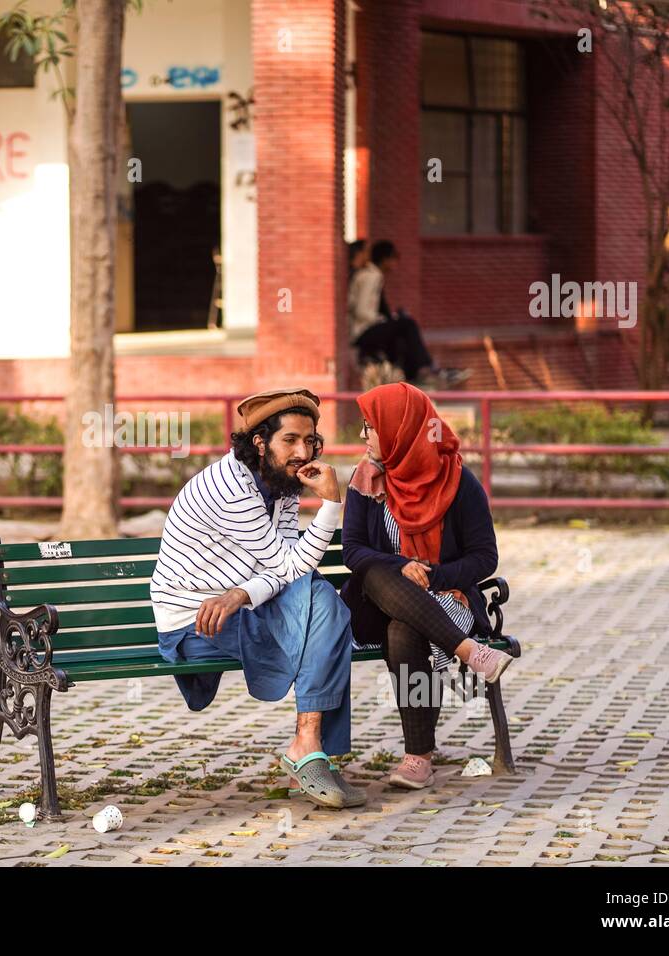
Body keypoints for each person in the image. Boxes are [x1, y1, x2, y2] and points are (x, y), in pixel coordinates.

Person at [149, 387, 364, 809]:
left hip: (242, 608)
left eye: (311, 441)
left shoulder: (280, 485)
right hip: (192, 621)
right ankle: (309, 743)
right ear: (260, 443)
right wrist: (331, 504)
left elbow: (284, 571)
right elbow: (288, 567)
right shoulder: (230, 487)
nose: (303, 451)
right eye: (291, 440)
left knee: (323, 603)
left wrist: (242, 592)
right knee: (325, 607)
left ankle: (309, 742)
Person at [340, 382, 513, 790]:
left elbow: (484, 557)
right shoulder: (367, 479)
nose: (363, 435)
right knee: (381, 571)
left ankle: (418, 758)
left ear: (401, 429)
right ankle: (471, 652)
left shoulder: (458, 482)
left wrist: (432, 576)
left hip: (444, 598)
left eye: (371, 426)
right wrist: (405, 567)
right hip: (373, 605)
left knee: (406, 628)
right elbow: (353, 552)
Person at [348, 240, 471, 388]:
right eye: (395, 257)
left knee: (401, 331)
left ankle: (414, 375)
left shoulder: (372, 275)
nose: (396, 263)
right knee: (407, 323)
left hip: (367, 330)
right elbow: (362, 311)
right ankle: (426, 368)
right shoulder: (372, 276)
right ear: (385, 258)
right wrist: (382, 320)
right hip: (363, 332)